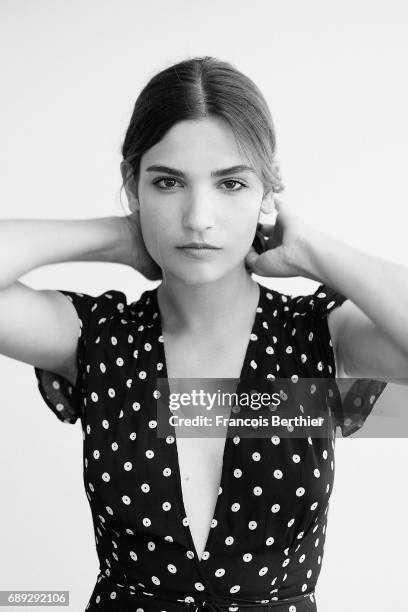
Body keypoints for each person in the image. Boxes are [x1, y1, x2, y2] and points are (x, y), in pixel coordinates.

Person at [1, 56, 407, 612]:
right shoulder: (98, 339)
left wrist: (314, 250)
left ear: (266, 194)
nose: (198, 217)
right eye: (168, 182)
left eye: (232, 183)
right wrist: (113, 238)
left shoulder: (319, 340)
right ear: (134, 186)